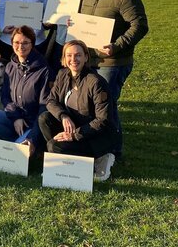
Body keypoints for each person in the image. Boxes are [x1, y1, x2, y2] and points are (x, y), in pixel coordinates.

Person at [80, 0, 148, 155]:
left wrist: (116, 46)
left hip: (114, 61)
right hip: (91, 60)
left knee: (106, 107)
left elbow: (140, 26)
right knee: (94, 106)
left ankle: (114, 151)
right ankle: (98, 146)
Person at [39, 39, 120, 182]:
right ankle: (69, 162)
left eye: (78, 55)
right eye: (69, 55)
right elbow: (50, 101)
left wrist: (74, 135)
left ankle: (100, 158)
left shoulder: (96, 82)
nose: (73, 59)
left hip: (96, 135)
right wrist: (63, 116)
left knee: (53, 145)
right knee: (44, 119)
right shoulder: (62, 74)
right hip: (74, 125)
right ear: (64, 58)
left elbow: (103, 120)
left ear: (86, 57)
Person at [0, 26, 51, 155]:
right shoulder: (10, 66)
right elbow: (5, 97)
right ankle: (19, 143)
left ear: (33, 44)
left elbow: (44, 107)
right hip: (17, 119)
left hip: (34, 123)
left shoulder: (44, 70)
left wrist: (33, 135)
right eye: (16, 42)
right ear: (12, 44)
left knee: (19, 152)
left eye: (25, 43)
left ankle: (30, 143)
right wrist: (16, 117)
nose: (20, 46)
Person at [45, 0, 93, 72]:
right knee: (57, 77)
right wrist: (48, 21)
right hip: (58, 42)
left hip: (80, 42)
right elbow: (47, 20)